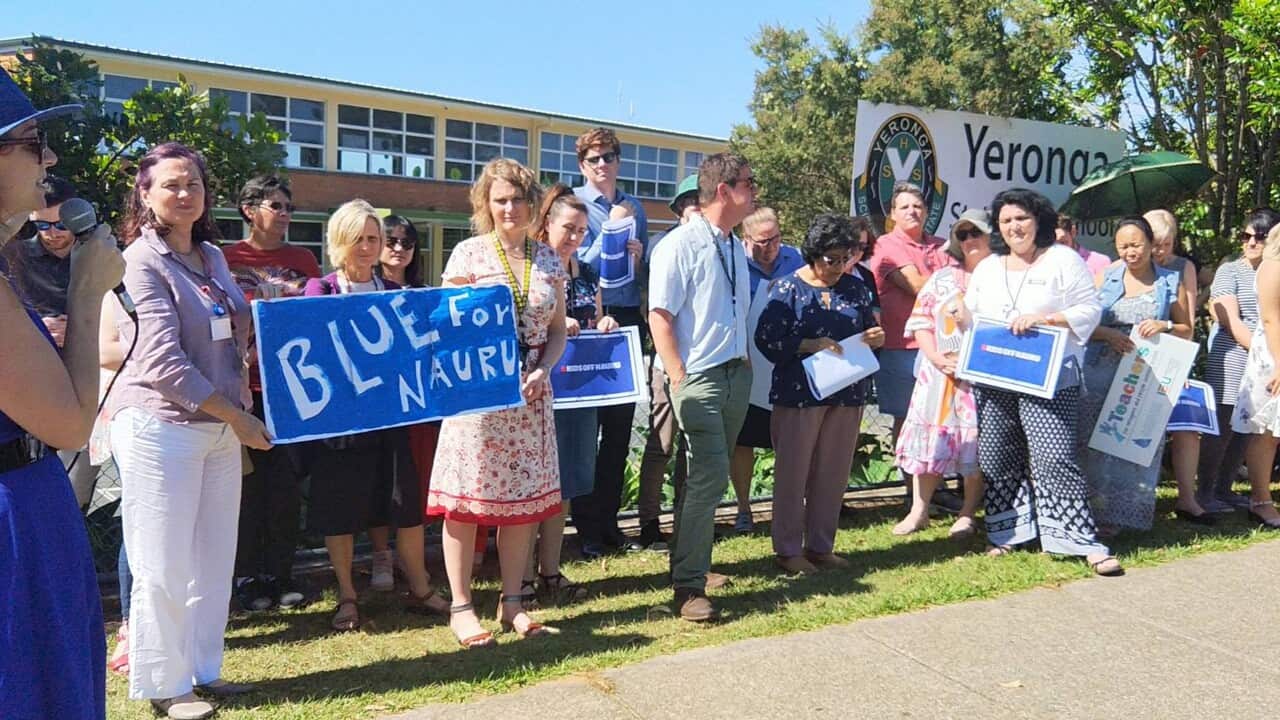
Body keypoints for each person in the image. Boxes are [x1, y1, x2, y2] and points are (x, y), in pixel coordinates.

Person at [108, 142, 270, 718]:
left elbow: (233, 332)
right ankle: (165, 686)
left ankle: (204, 670)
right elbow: (161, 362)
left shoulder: (212, 256)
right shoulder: (138, 261)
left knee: (213, 557)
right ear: (145, 194)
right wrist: (239, 417)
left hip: (219, 426)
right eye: (171, 184)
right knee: (162, 563)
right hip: (161, 426)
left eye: (193, 184)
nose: (185, 193)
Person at [0, 69, 120, 720]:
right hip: (15, 525)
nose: (48, 159)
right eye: (32, 142)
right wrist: (87, 289)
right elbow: (72, 424)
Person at [427, 158, 567, 647]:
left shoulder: (548, 259)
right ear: (485, 204)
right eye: (500, 199)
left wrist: (544, 369)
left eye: (518, 199)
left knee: (523, 505)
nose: (510, 208)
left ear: (532, 204)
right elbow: (445, 323)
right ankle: (461, 607)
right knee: (465, 503)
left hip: (531, 397)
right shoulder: (468, 254)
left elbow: (556, 331)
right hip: (478, 398)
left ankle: (513, 603)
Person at [955, 188, 1122, 577]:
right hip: (995, 374)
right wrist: (959, 313)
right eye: (1006, 220)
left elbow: (1089, 309)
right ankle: (1008, 533)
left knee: (1054, 454)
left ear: (1039, 220)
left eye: (1022, 218)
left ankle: (1079, 539)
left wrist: (1046, 320)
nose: (1014, 227)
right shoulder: (988, 268)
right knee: (996, 454)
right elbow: (973, 319)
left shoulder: (1063, 259)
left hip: (1050, 375)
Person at [302, 200, 448, 632]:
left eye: (373, 238)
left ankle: (420, 587)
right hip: (340, 426)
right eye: (358, 238)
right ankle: (347, 595)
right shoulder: (321, 289)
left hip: (391, 418)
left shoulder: (394, 292)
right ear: (339, 240)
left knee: (406, 506)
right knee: (341, 512)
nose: (366, 247)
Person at [648, 152, 755, 622]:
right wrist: (679, 377)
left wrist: (744, 361)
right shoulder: (679, 244)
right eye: (748, 183)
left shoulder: (733, 245)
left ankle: (691, 564)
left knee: (700, 478)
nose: (755, 191)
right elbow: (660, 316)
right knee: (711, 475)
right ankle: (688, 586)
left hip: (734, 374)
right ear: (724, 191)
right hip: (699, 377)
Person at [755, 213, 884, 574]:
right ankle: (788, 550)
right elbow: (766, 339)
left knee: (833, 473)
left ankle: (821, 546)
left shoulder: (856, 287)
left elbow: (868, 330)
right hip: (799, 395)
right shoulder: (787, 288)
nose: (839, 267)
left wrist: (876, 337)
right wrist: (806, 344)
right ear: (813, 253)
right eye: (832, 259)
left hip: (847, 393)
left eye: (846, 258)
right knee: (793, 474)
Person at [222, 174, 321, 612]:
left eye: (288, 207)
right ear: (249, 210)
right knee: (245, 487)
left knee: (285, 486)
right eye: (275, 206)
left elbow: (317, 315)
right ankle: (246, 577)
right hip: (243, 391)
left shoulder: (303, 259)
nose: (283, 215)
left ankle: (281, 574)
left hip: (292, 389)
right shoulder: (225, 258)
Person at [530, 184, 618, 604]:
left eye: (582, 230)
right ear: (547, 224)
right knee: (533, 484)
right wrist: (557, 327)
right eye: (569, 228)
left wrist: (604, 326)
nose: (575, 237)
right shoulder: (532, 271)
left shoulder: (588, 274)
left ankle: (550, 571)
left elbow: (596, 319)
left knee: (564, 485)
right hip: (538, 392)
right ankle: (521, 577)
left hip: (578, 396)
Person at [1078, 217, 1193, 533]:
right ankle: (1087, 512)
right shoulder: (1105, 277)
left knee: (1132, 445)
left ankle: (1122, 515)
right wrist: (1108, 334)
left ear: (1151, 243)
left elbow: (1186, 328)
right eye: (1123, 246)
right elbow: (1082, 324)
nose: (1130, 252)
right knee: (1091, 442)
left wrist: (1163, 325)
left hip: (1143, 375)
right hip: (1099, 370)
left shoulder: (1170, 281)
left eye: (1136, 245)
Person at [571, 128, 648, 557]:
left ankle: (610, 524)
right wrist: (610, 232)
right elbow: (575, 262)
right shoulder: (575, 205)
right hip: (587, 320)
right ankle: (584, 529)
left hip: (626, 317)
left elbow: (642, 272)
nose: (603, 164)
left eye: (609, 156)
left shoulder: (635, 205)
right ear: (582, 165)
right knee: (587, 431)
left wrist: (637, 253)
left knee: (619, 429)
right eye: (594, 158)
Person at [3, 175, 103, 508]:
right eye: (42, 226)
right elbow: (71, 431)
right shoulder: (16, 257)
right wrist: (42, 330)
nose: (53, 233)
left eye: (61, 224)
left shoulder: (96, 256)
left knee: (79, 492)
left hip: (93, 381)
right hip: (37, 391)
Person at [892, 208, 991, 537]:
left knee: (975, 443)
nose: (969, 240)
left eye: (976, 232)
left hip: (980, 376)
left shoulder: (1002, 277)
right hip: (939, 375)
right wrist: (935, 357)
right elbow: (920, 321)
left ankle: (967, 512)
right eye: (962, 234)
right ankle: (919, 510)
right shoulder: (942, 278)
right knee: (929, 442)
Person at [869, 183, 949, 497]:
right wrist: (948, 284)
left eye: (917, 206)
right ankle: (912, 492)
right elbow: (921, 287)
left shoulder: (942, 245)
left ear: (927, 211)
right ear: (892, 214)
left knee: (938, 418)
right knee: (907, 418)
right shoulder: (885, 245)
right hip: (901, 348)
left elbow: (964, 284)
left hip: (942, 348)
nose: (912, 212)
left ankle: (935, 488)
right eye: (904, 207)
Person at [1199, 208, 1280, 512]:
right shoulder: (1230, 270)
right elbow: (1230, 319)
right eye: (1245, 236)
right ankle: (1205, 492)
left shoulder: (1273, 269)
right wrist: (1265, 352)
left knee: (1248, 428)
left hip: (1266, 358)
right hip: (1233, 356)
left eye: (1259, 237)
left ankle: (1225, 488)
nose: (1251, 243)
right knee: (1222, 426)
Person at [371, 214, 436, 592]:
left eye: (407, 243)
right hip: (377, 402)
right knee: (379, 482)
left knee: (413, 485)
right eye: (391, 240)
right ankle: (381, 554)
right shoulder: (365, 287)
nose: (399, 248)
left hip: (417, 404)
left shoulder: (424, 293)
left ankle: (412, 559)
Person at [635, 173, 699, 550]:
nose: (696, 208)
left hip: (704, 363)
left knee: (694, 448)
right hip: (666, 360)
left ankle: (686, 521)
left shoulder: (720, 246)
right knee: (661, 443)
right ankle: (648, 523)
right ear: (678, 209)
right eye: (690, 202)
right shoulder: (663, 245)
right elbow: (652, 306)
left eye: (701, 201)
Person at [731, 206, 804, 535]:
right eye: (761, 242)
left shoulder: (795, 259)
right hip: (748, 363)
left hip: (788, 361)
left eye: (775, 239)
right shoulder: (734, 261)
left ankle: (787, 506)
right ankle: (743, 508)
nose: (770, 247)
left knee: (790, 440)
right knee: (743, 439)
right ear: (745, 239)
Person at [1144, 209, 1210, 520]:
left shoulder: (1184, 267)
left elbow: (1189, 321)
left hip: (1175, 353)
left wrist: (1181, 364)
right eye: (1154, 244)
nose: (1159, 251)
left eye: (1166, 244)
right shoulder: (1129, 266)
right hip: (1139, 358)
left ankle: (1187, 498)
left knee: (1186, 428)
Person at [1230, 221, 1280, 529]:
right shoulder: (1273, 266)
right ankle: (1261, 500)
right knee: (1267, 431)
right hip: (1274, 353)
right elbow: (1271, 318)